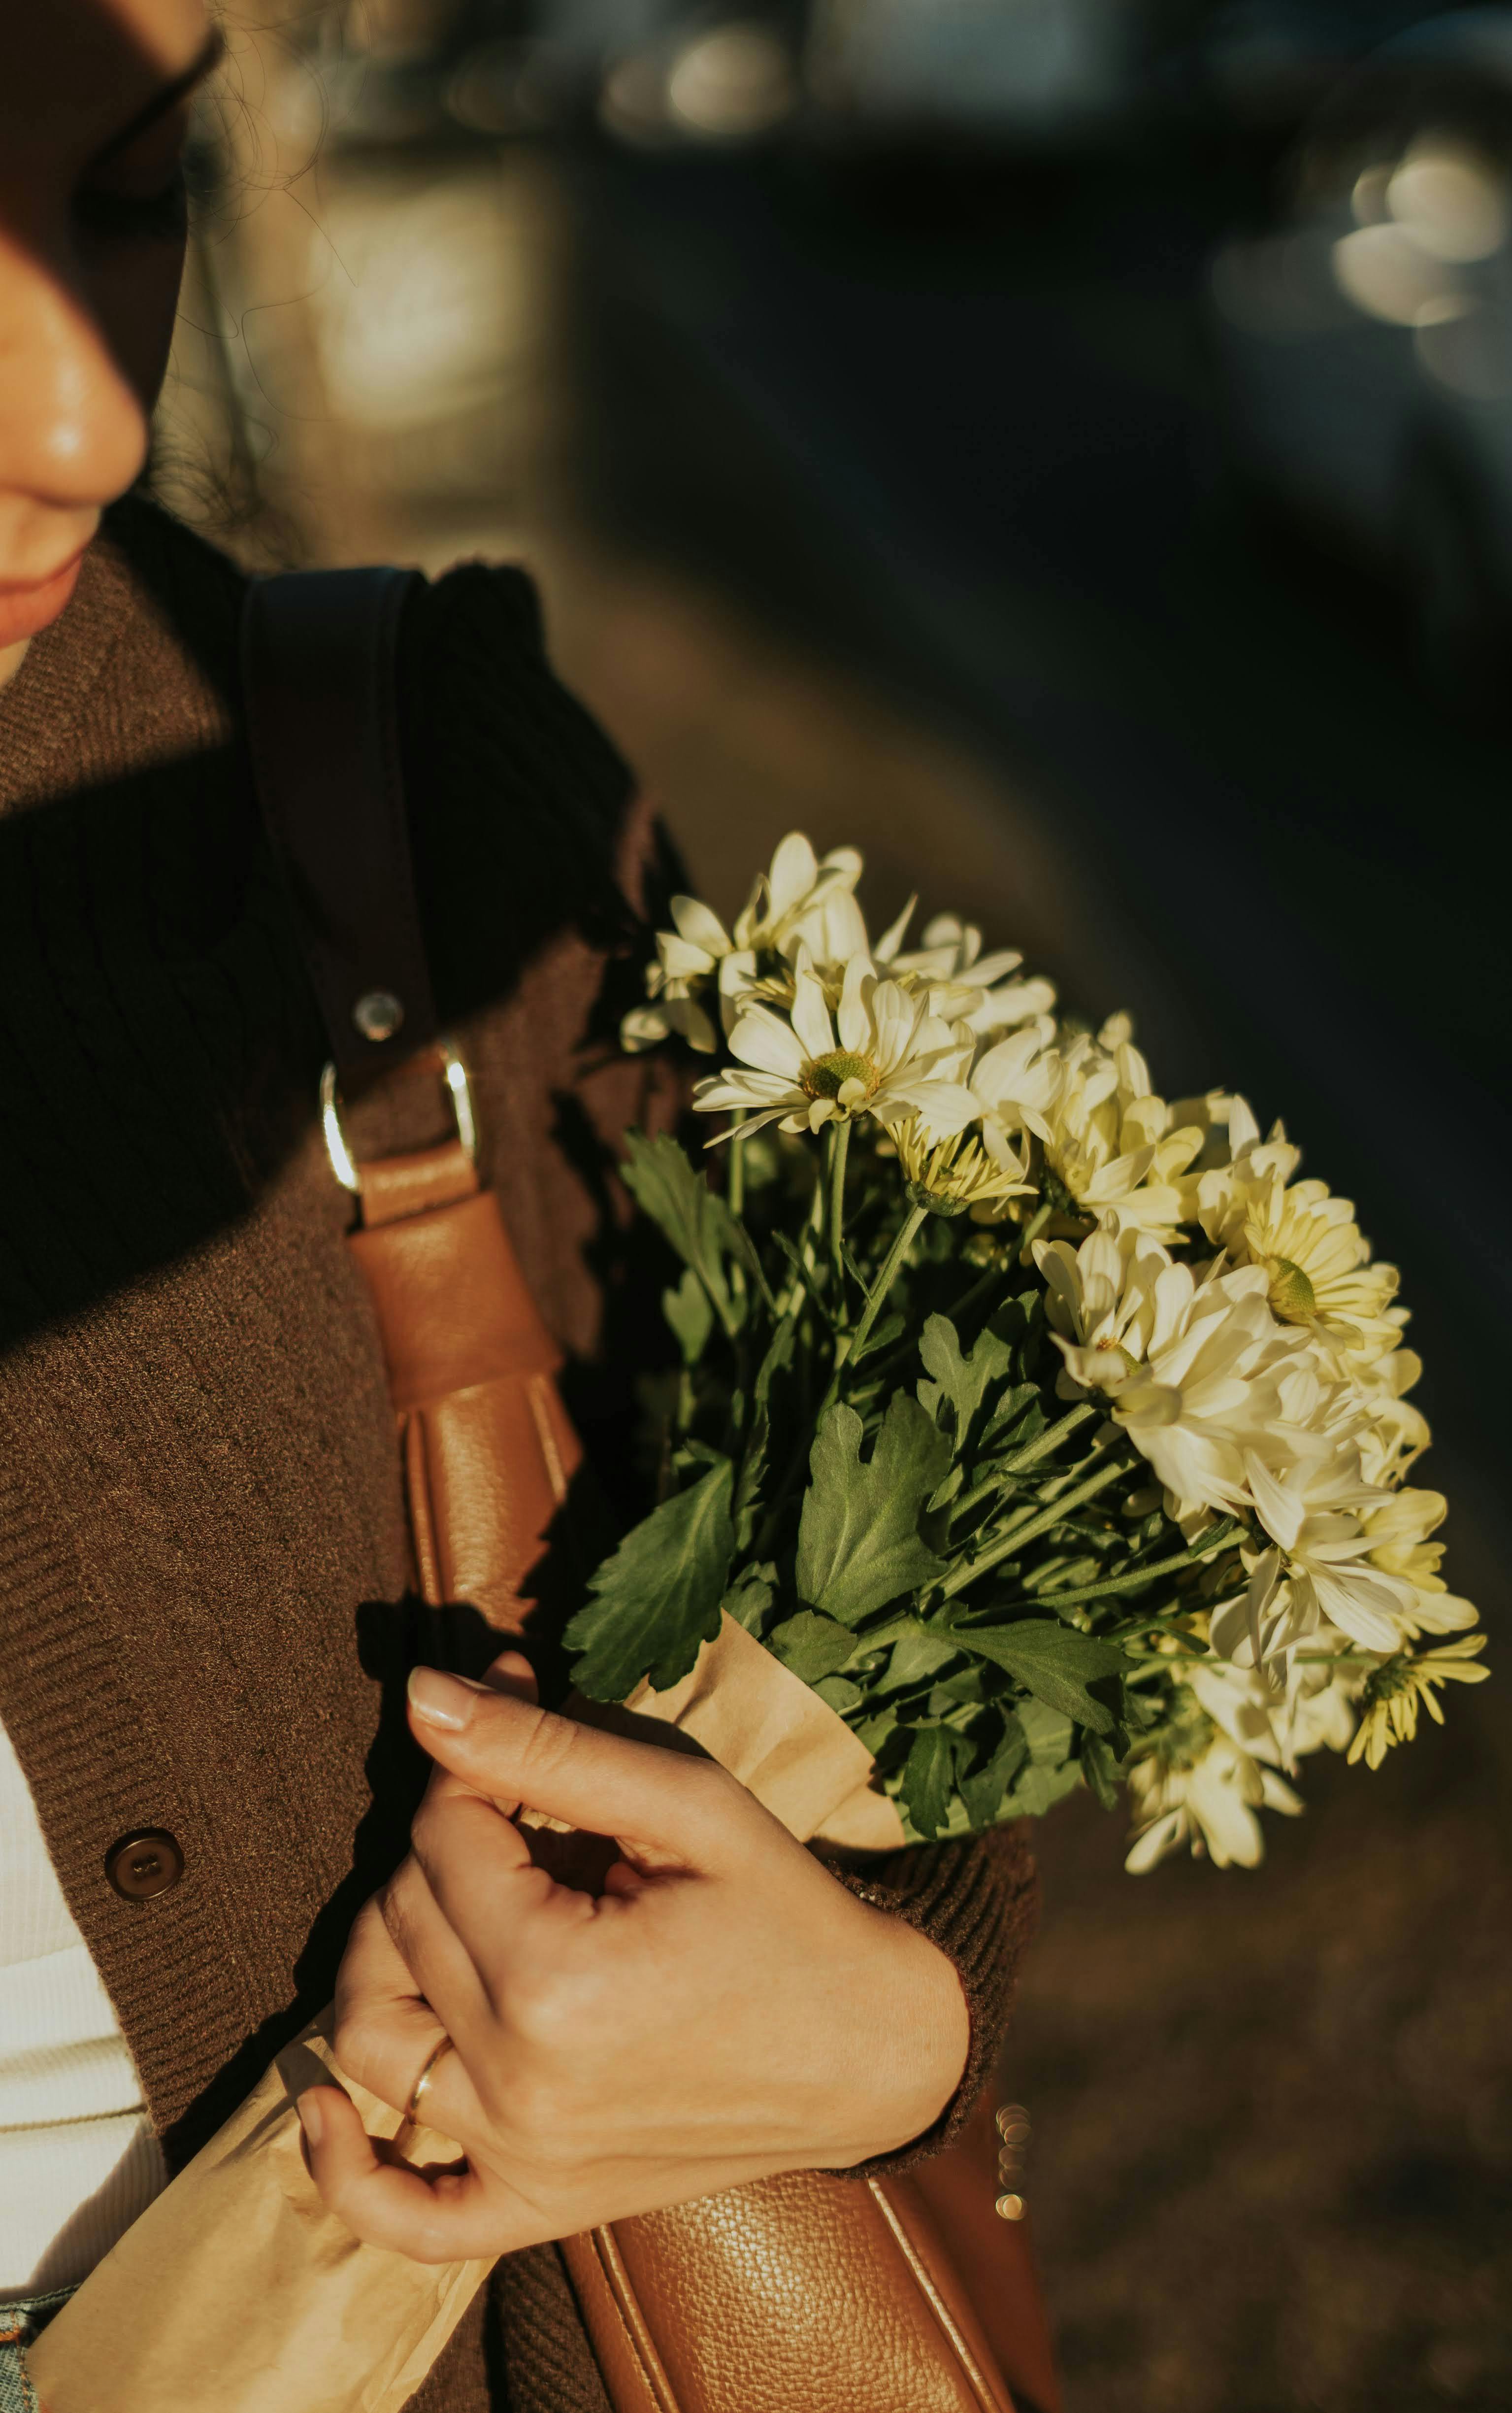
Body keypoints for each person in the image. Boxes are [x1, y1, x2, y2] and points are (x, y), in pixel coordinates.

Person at [0, 3, 1037, 2405]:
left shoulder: (400, 815)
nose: (87, 420)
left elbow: (911, 1653)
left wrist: (889, 2002)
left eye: (138, 195)